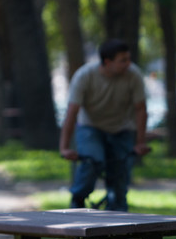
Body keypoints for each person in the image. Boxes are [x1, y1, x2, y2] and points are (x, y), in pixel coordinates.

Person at [58, 38, 150, 210]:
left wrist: (140, 142)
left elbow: (141, 110)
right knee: (92, 161)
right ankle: (78, 200)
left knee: (119, 180)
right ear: (107, 62)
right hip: (90, 127)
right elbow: (72, 112)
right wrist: (64, 148)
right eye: (123, 60)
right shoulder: (84, 76)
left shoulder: (133, 75)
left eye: (129, 59)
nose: (128, 64)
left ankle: (118, 233)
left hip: (123, 128)